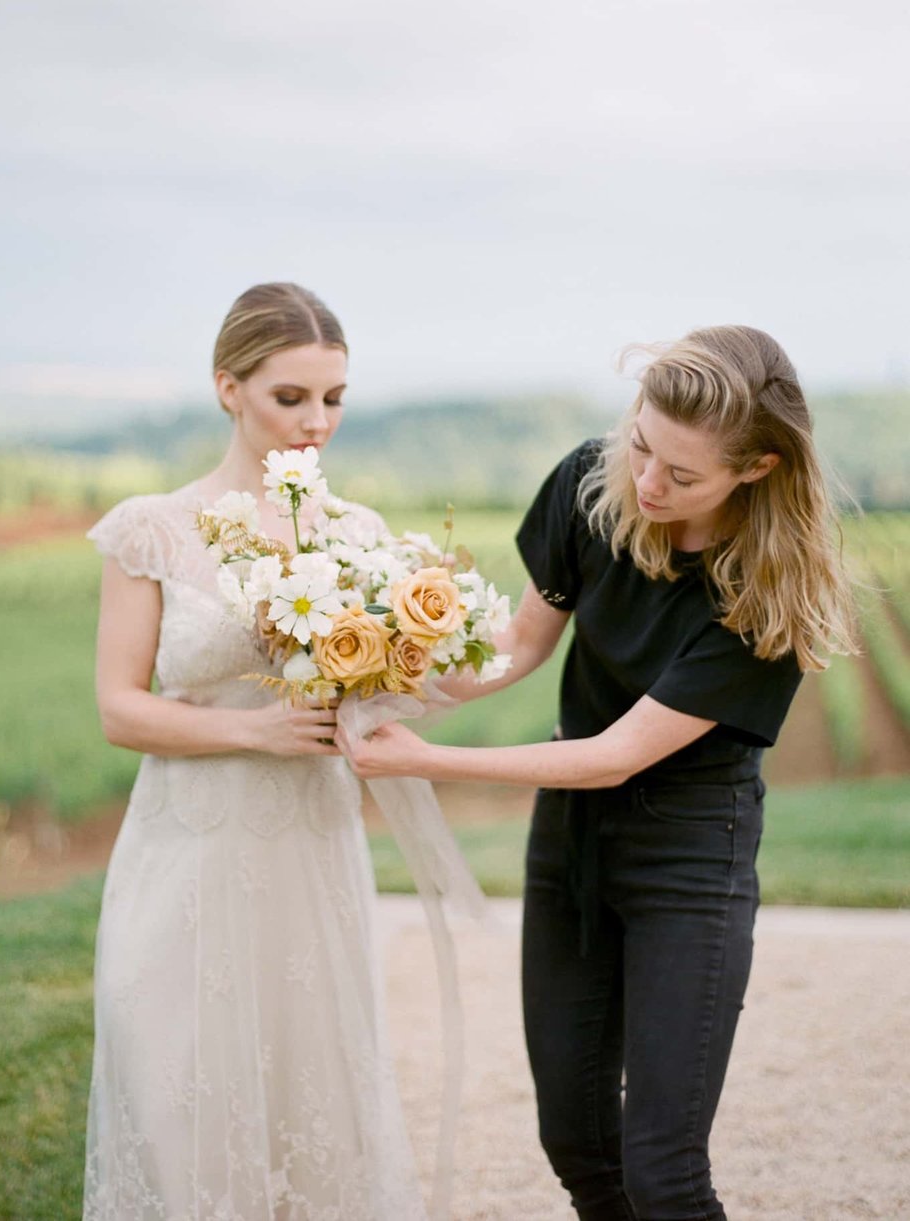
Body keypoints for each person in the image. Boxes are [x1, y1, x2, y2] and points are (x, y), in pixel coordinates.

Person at [339, 325, 857, 1221]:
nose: (647, 482)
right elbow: (514, 650)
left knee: (663, 1171)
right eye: (641, 443)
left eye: (681, 475)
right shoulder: (593, 482)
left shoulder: (768, 597)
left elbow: (615, 754)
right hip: (570, 843)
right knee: (576, 1143)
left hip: (688, 860)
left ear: (759, 469)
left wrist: (425, 759)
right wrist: (393, 660)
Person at [82, 283, 428, 1220]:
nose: (317, 423)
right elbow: (120, 708)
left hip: (308, 852)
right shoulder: (151, 529)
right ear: (228, 387)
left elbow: (403, 681)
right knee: (179, 1097)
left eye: (334, 398)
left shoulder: (358, 537)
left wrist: (476, 637)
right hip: (186, 849)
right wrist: (253, 729)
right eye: (291, 398)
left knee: (309, 1098)